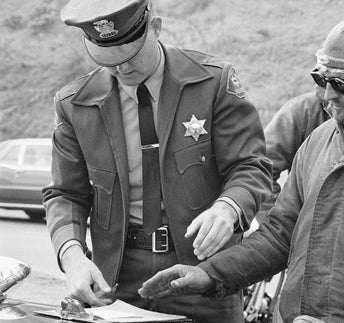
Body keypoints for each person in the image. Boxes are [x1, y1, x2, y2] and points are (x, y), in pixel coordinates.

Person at [137, 8, 344, 322]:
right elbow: (278, 237)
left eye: (341, 85)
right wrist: (211, 274)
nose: (326, 95)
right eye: (321, 79)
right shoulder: (317, 141)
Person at [42, 0, 272, 322]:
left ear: (156, 27)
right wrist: (73, 257)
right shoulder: (75, 104)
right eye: (109, 61)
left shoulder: (212, 83)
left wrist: (228, 208)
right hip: (116, 282)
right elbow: (66, 194)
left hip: (202, 273)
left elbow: (251, 166)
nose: (121, 70)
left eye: (130, 57)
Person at [254, 87, 330, 224]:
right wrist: (278, 225)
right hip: (310, 229)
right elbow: (259, 171)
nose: (331, 93)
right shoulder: (303, 111)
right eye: (322, 78)